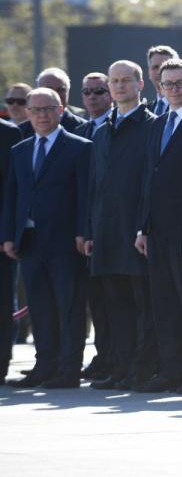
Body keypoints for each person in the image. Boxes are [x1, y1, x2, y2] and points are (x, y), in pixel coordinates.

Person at [1, 87, 90, 388]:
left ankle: (68, 370)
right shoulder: (20, 150)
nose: (42, 115)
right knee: (40, 308)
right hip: (29, 241)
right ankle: (45, 366)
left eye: (48, 109)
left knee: (68, 307)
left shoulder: (80, 147)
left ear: (61, 110)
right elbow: (13, 196)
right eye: (36, 110)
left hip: (66, 242)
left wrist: (83, 231)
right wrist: (9, 236)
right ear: (27, 113)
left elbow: (84, 196)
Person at [134, 59, 182, 394]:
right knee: (164, 302)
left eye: (181, 83)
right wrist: (143, 227)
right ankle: (171, 369)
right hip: (158, 231)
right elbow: (148, 179)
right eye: (168, 84)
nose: (175, 89)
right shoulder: (157, 124)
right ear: (160, 88)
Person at [86, 60, 158, 391]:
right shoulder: (101, 131)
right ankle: (118, 366)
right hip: (106, 232)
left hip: (135, 232)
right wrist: (89, 231)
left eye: (125, 80)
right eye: (113, 81)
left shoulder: (152, 126)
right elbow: (94, 186)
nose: (118, 86)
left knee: (141, 306)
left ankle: (140, 370)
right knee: (113, 307)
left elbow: (150, 184)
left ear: (140, 84)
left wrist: (143, 226)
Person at [74, 72, 112, 381]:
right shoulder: (80, 129)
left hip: (117, 230)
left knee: (117, 300)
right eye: (87, 91)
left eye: (100, 90)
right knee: (96, 301)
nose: (93, 97)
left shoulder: (117, 126)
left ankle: (117, 357)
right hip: (90, 230)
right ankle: (102, 356)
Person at [0, 117, 22, 385]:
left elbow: (13, 190)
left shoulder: (8, 134)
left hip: (1, 242)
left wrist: (7, 235)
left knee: (3, 304)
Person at [18, 68, 86, 139]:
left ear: (68, 91)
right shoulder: (22, 132)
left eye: (60, 90)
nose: (55, 94)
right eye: (49, 90)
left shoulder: (84, 128)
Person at [75, 73, 112, 139]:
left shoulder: (119, 125)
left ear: (111, 94)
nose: (91, 96)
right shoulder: (78, 132)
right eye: (86, 91)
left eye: (98, 91)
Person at [146, 45, 179, 116]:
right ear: (149, 72)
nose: (159, 72)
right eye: (155, 67)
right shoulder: (145, 111)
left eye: (165, 66)